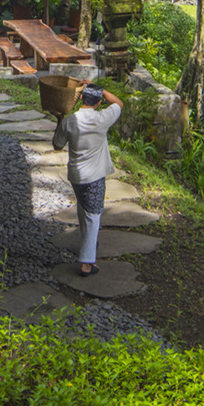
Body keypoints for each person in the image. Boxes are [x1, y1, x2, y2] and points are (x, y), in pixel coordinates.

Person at [53, 82, 123, 275]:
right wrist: (102, 90)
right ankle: (86, 263)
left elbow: (57, 145)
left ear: (81, 98)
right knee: (93, 215)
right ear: (99, 102)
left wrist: (60, 120)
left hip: (76, 175)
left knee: (84, 209)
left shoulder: (69, 120)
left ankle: (89, 242)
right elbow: (118, 103)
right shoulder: (102, 118)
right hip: (94, 176)